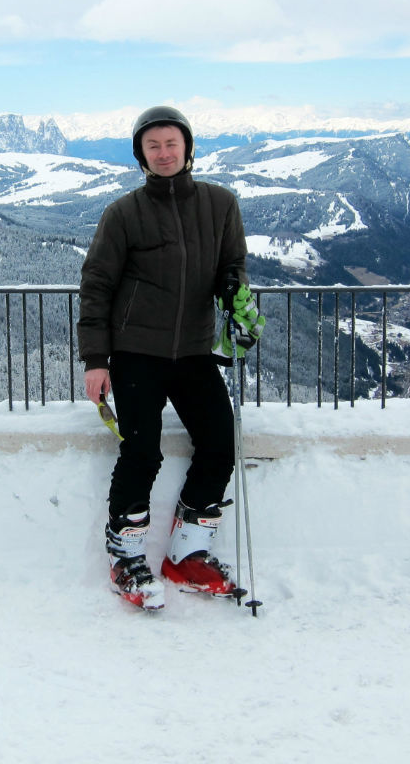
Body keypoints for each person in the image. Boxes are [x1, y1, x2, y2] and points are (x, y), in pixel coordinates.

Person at [77, 105, 265, 609]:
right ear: (141, 154)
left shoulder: (220, 205)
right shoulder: (124, 213)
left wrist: (233, 289)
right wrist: (97, 359)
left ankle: (186, 554)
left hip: (195, 350)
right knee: (142, 451)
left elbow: (234, 264)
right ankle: (126, 557)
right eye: (153, 145)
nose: (163, 153)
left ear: (188, 149)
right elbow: (96, 286)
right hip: (137, 350)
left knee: (219, 443)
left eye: (171, 144)